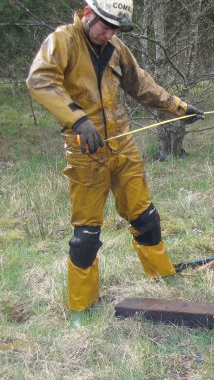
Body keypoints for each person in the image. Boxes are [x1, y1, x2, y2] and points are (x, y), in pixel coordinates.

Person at [26, 0, 203, 321]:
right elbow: (39, 80)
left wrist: (180, 107)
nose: (109, 34)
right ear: (88, 14)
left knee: (146, 216)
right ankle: (81, 306)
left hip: (123, 145)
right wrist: (78, 120)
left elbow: (143, 86)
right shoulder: (62, 41)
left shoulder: (117, 48)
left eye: (115, 29)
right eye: (105, 26)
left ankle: (162, 276)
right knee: (86, 235)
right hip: (85, 152)